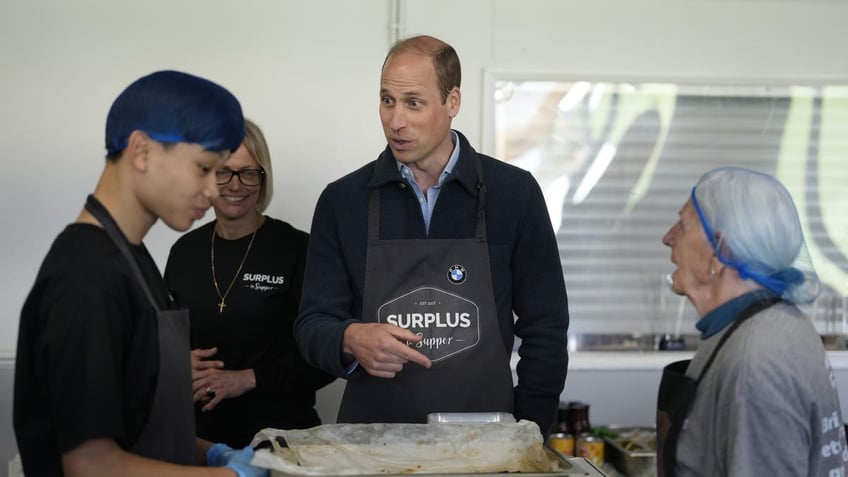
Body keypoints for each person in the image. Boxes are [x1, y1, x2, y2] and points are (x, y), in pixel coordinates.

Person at [294, 35, 569, 436]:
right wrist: (349, 337)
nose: (395, 121)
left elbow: (546, 325)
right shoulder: (343, 201)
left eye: (413, 103)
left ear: (452, 102)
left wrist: (529, 432)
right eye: (387, 101)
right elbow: (312, 324)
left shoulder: (514, 194)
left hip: (486, 446)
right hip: (373, 445)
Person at [14, 70, 267, 476]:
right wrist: (226, 476)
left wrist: (210, 451)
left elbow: (143, 424)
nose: (215, 190)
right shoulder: (86, 277)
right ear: (141, 151)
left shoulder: (132, 259)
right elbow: (90, 465)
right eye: (204, 168)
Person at [657, 166, 848, 476]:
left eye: (683, 224)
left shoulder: (756, 358)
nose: (668, 238)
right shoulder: (775, 325)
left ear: (719, 251)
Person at [164, 118, 335, 448]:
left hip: (284, 443)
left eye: (248, 172)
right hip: (200, 445)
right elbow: (158, 344)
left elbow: (329, 356)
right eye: (222, 171)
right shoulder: (184, 252)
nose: (235, 184)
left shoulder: (299, 250)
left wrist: (249, 379)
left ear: (263, 178)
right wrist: (174, 363)